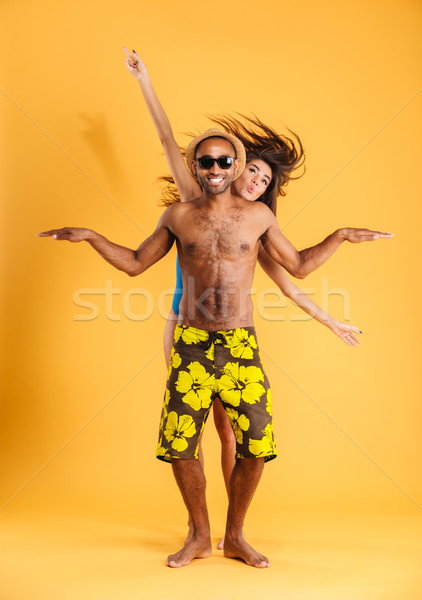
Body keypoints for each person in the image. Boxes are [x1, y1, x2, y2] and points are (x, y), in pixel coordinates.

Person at [39, 126, 393, 568]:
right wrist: (92, 236)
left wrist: (339, 235)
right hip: (190, 344)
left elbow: (299, 268)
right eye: (206, 161)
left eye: (225, 161)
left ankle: (237, 536)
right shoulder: (178, 216)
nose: (215, 169)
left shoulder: (259, 218)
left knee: (256, 444)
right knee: (181, 444)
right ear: (195, 166)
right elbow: (134, 263)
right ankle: (200, 536)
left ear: (237, 165)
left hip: (240, 345)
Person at [123, 49, 393, 548]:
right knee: (190, 430)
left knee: (232, 435)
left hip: (233, 338)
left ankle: (231, 533)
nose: (252, 181)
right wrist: (144, 81)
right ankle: (199, 529)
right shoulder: (194, 196)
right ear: (232, 166)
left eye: (263, 182)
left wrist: (332, 321)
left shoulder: (256, 227)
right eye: (252, 172)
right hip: (184, 328)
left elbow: (293, 282)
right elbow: (166, 139)